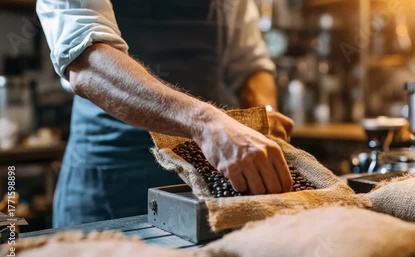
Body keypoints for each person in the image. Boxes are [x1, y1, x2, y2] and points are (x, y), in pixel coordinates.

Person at [36, 0, 294, 227]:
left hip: (205, 180)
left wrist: (264, 115)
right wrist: (206, 123)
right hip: (108, 181)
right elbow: (86, 63)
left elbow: (249, 65)